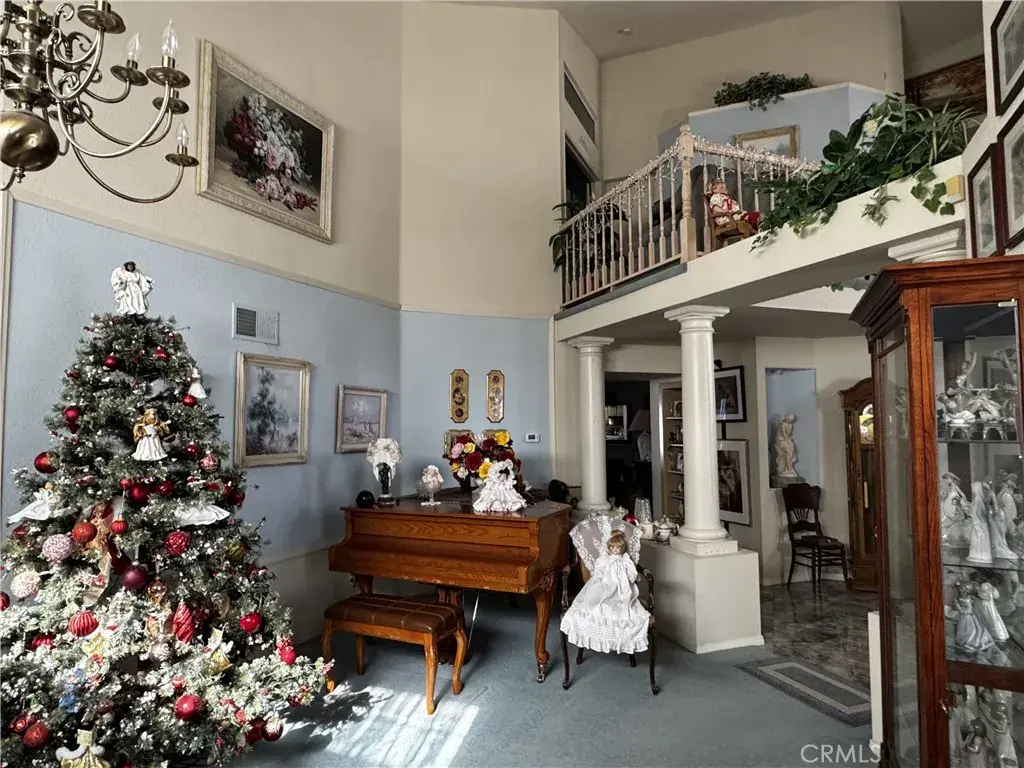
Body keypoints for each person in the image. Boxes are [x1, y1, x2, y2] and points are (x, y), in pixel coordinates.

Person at [560, 530, 650, 654]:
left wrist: (631, 577)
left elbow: (632, 573)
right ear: (609, 548)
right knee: (597, 598)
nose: (615, 550)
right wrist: (599, 579)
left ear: (622, 548)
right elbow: (599, 571)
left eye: (617, 547)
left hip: (621, 586)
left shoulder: (625, 560)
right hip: (607, 584)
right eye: (612, 547)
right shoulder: (605, 559)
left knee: (625, 602)